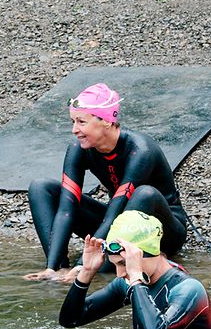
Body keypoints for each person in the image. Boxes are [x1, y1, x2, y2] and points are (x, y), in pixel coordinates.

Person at [25, 82, 188, 283]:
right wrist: (52, 267)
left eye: (81, 122)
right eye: (73, 122)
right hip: (117, 222)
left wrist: (83, 267)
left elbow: (116, 211)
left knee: (144, 193)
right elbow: (67, 209)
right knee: (41, 188)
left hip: (163, 229)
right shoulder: (79, 149)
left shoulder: (140, 150)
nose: (74, 130)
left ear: (106, 121)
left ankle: (93, 266)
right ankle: (59, 267)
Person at [59, 211, 211, 329]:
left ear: (148, 253)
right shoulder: (129, 283)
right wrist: (86, 272)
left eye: (124, 263)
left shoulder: (189, 289)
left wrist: (136, 280)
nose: (120, 274)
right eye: (115, 265)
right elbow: (70, 320)